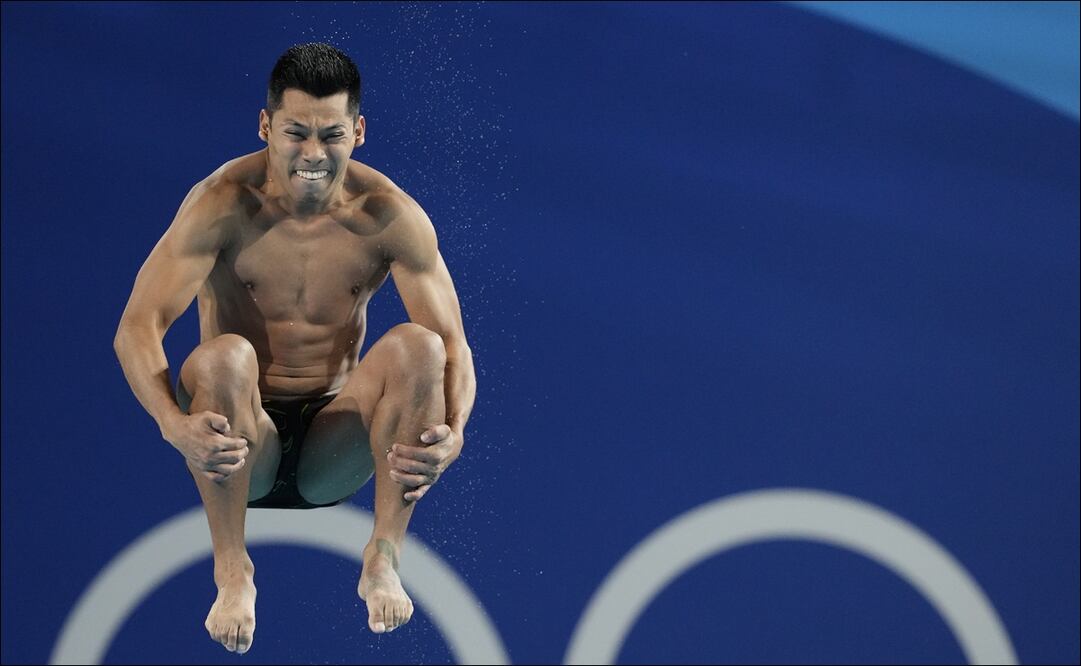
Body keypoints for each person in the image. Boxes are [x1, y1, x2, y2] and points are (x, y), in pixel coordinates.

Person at [113, 42, 476, 654]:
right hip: (241, 438)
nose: (313, 154)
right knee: (226, 356)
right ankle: (232, 569)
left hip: (335, 444)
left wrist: (456, 434)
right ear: (266, 126)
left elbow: (455, 346)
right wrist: (173, 426)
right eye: (296, 133)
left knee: (419, 348)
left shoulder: (390, 216)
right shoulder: (221, 206)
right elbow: (137, 327)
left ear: (358, 131)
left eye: (331, 134)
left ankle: (383, 556)